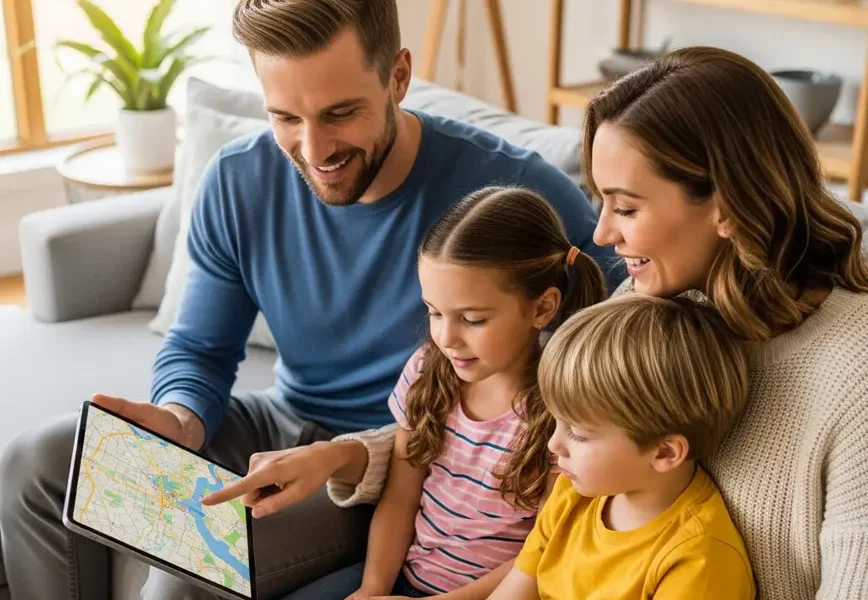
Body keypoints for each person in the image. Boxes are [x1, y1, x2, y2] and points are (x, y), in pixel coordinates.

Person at [0, 1, 621, 599]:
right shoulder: (238, 179)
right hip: (276, 422)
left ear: (399, 76)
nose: (315, 149)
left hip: (385, 465)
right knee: (36, 465)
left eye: (340, 113)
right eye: (286, 118)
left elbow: (627, 315)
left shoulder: (507, 193)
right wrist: (181, 419)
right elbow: (201, 348)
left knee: (194, 563)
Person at [295, 46, 868, 599]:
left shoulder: (853, 378)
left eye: (626, 206)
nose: (601, 236)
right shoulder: (644, 303)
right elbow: (503, 442)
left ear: (728, 204)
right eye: (601, 202)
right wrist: (346, 456)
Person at [244, 186, 608, 600]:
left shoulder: (564, 412)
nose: (446, 337)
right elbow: (400, 497)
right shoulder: (427, 371)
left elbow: (544, 553)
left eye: (472, 319)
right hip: (403, 580)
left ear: (542, 309)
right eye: (434, 312)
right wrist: (373, 588)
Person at [487, 294, 755, 599]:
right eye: (556, 422)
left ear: (665, 452)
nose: (553, 443)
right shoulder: (570, 496)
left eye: (578, 433)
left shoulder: (699, 560)